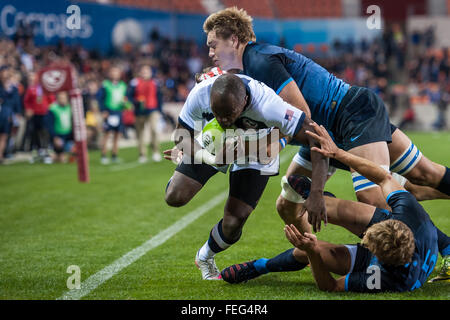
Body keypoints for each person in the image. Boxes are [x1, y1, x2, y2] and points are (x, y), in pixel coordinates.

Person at [202, 7, 450, 233]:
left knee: (374, 198)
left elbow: (302, 117)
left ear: (234, 40)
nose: (210, 53)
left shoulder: (259, 61)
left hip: (351, 115)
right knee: (290, 200)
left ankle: (439, 247)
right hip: (328, 131)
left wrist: (317, 190)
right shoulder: (247, 68)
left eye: (213, 45)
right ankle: (310, 252)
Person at [221, 122, 450, 292]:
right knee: (340, 206)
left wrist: (312, 253)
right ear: (395, 223)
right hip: (406, 238)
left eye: (367, 240)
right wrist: (339, 154)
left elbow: (330, 286)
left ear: (377, 258)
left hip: (394, 259)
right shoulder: (410, 215)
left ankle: (260, 266)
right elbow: (383, 177)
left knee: (306, 252)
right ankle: (323, 199)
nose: (364, 237)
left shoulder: (386, 278)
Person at [164, 72, 329, 280]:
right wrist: (208, 156)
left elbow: (317, 140)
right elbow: (181, 135)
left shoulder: (269, 106)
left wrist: (317, 192)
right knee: (174, 196)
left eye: (228, 114)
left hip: (256, 148)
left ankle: (205, 256)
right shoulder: (201, 92)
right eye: (217, 113)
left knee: (234, 222)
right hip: (216, 141)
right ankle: (187, 166)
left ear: (244, 102)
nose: (223, 120)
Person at [128, 64, 162, 163]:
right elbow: (129, 96)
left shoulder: (155, 82)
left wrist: (160, 110)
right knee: (140, 134)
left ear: (151, 73)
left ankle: (155, 151)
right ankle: (142, 154)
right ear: (139, 72)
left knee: (154, 130)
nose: (145, 73)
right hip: (139, 111)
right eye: (143, 71)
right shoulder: (134, 83)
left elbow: (159, 97)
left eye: (147, 71)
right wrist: (135, 102)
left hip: (153, 110)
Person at [97, 66, 128, 164]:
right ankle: (104, 155)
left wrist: (125, 104)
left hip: (118, 112)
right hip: (109, 112)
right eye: (113, 72)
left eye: (116, 72)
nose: (115, 74)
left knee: (117, 135)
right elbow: (100, 98)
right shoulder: (105, 85)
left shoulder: (123, 85)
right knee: (106, 134)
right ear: (109, 74)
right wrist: (103, 110)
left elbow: (125, 98)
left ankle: (114, 155)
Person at [23, 71, 54, 163]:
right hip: (35, 114)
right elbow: (26, 101)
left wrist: (48, 107)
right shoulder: (31, 88)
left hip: (44, 113)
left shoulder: (46, 88)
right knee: (35, 132)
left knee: (44, 131)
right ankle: (38, 150)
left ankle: (45, 150)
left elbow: (51, 99)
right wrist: (28, 109)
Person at [0, 65, 22, 164]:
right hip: (3, 112)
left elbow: (16, 101)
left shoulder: (13, 87)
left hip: (8, 114)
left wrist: (17, 113)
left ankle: (2, 153)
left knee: (5, 135)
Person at [48, 91, 74, 163]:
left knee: (67, 157)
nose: (62, 100)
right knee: (61, 159)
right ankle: (54, 155)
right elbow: (49, 125)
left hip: (68, 135)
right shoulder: (53, 109)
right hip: (58, 135)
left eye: (64, 98)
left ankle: (62, 155)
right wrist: (54, 137)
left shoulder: (70, 107)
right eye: (61, 98)